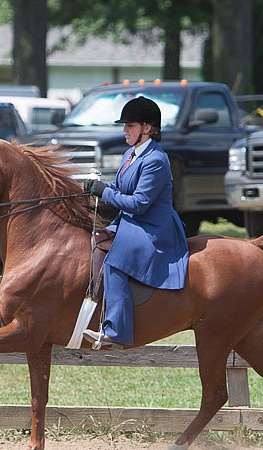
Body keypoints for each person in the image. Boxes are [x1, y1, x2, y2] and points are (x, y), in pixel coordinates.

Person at [81, 96, 189, 348]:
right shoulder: (131, 154)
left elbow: (139, 203)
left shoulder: (156, 160)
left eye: (130, 125)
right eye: (125, 125)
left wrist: (104, 192)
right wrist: (96, 186)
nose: (124, 130)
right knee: (93, 242)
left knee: (116, 262)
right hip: (129, 222)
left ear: (147, 128)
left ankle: (115, 331)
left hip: (152, 227)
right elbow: (120, 188)